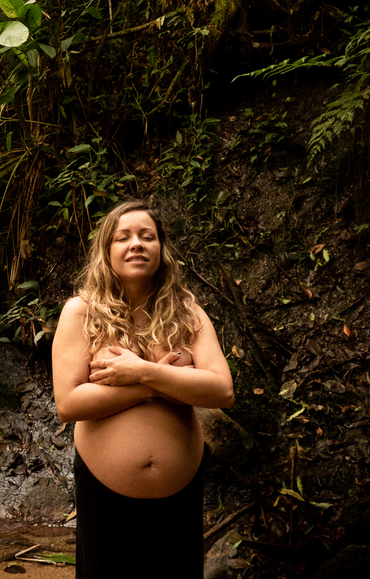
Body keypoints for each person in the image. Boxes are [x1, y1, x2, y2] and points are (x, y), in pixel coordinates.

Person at [51, 199, 234, 578]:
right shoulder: (80, 312)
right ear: (107, 251)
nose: (136, 244)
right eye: (124, 237)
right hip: (104, 494)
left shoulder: (187, 311)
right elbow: (68, 403)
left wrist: (140, 372)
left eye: (147, 236)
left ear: (161, 250)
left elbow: (221, 390)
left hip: (179, 493)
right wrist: (155, 385)